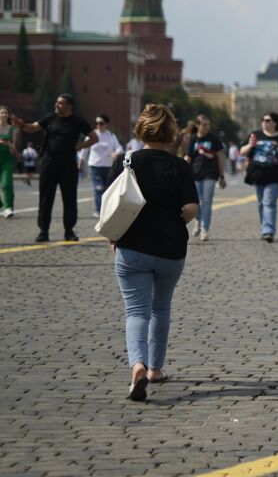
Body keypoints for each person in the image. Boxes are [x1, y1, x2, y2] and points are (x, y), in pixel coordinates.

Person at [108, 104, 198, 401]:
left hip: (132, 246)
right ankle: (156, 369)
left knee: (136, 311)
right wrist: (174, 220)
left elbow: (113, 203)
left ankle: (137, 364)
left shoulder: (126, 161)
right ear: (171, 133)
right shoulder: (180, 166)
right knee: (161, 308)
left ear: (141, 129)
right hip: (171, 249)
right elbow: (190, 209)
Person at [13, 94, 97, 243]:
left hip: (68, 165)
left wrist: (79, 146)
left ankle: (69, 231)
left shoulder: (78, 121)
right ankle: (43, 231)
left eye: (60, 103)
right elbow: (32, 128)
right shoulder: (50, 118)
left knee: (69, 198)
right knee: (45, 198)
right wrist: (21, 124)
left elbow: (94, 137)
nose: (56, 105)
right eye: (56, 102)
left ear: (69, 106)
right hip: (48, 163)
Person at [240, 112, 278, 243]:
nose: (264, 122)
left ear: (275, 122)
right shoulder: (255, 135)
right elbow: (242, 152)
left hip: (276, 177)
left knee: (268, 202)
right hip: (257, 175)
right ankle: (265, 227)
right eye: (263, 120)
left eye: (268, 120)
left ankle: (268, 231)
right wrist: (250, 145)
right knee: (261, 204)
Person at [184, 115, 227, 240]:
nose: (207, 127)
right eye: (204, 124)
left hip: (210, 173)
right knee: (196, 202)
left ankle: (204, 228)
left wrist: (222, 175)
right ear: (197, 125)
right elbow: (188, 156)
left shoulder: (214, 139)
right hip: (195, 173)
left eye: (208, 124)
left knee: (207, 201)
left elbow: (220, 157)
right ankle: (198, 220)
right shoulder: (192, 139)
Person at [86, 115, 123, 217]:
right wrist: (79, 161)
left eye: (101, 123)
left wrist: (117, 152)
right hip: (95, 166)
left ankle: (106, 209)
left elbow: (118, 147)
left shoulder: (111, 136)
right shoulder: (92, 135)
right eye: (96, 123)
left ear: (106, 124)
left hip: (107, 166)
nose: (98, 125)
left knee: (107, 189)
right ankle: (99, 210)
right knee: (98, 188)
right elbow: (84, 148)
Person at [0, 106, 18, 219]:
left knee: (7, 183)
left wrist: (7, 144)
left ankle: (8, 207)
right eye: (2, 113)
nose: (4, 115)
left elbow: (14, 149)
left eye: (6, 113)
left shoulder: (13, 129)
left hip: (7, 158)